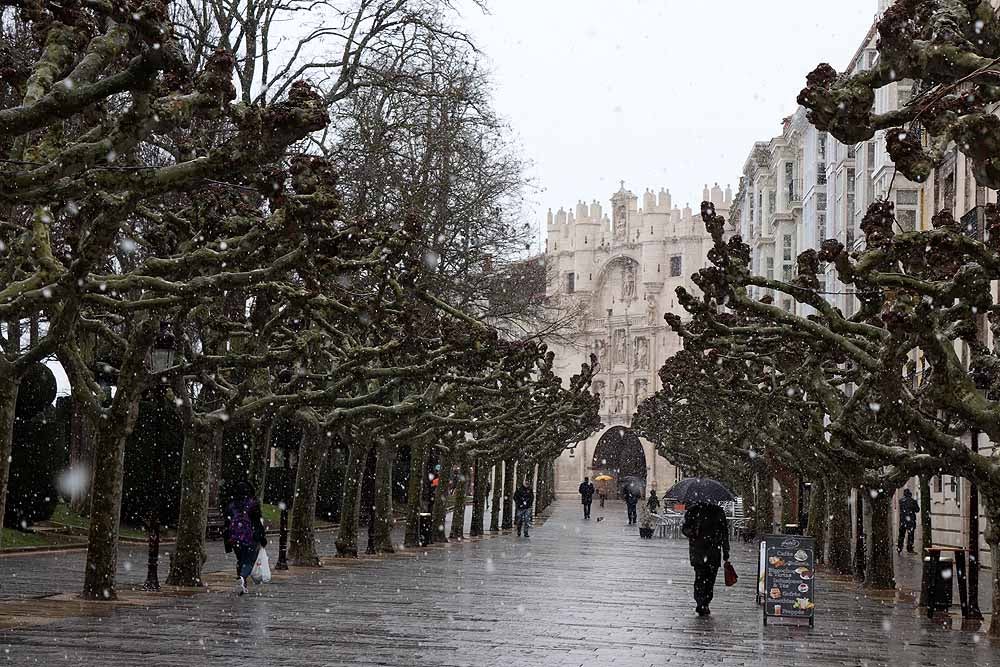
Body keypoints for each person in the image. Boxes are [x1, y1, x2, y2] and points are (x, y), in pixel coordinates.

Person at [681, 501, 731, 616]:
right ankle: (701, 602)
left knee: (707, 579)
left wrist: (726, 550)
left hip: (710, 551)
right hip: (701, 551)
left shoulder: (717, 511)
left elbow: (724, 532)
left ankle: (704, 602)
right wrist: (693, 532)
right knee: (702, 578)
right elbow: (685, 528)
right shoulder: (693, 510)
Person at [224, 480, 267, 596]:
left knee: (241, 559)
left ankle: (242, 581)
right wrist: (262, 538)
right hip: (250, 537)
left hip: (234, 538)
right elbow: (257, 522)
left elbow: (227, 524)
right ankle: (242, 577)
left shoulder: (231, 505)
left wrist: (227, 542)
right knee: (249, 560)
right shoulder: (253, 503)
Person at [897, 488, 920, 554]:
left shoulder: (901, 501)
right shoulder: (912, 501)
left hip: (903, 521)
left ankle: (899, 547)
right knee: (910, 535)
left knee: (901, 535)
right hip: (910, 521)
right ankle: (909, 548)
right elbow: (917, 510)